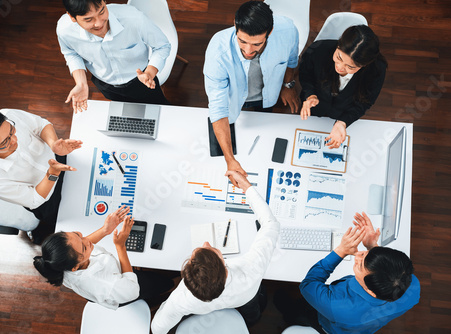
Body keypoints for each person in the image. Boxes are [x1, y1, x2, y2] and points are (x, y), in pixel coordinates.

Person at [151, 170, 280, 334]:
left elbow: (157, 329)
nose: (206, 242)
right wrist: (247, 186)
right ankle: (252, 321)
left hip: (203, 308)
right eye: (214, 251)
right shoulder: (252, 270)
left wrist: (166, 306)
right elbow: (270, 224)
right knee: (252, 313)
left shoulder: (181, 299)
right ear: (224, 266)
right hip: (246, 299)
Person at [274, 212, 420, 334]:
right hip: (363, 327)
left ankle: (288, 314)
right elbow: (388, 273)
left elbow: (308, 285)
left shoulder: (337, 305)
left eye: (361, 264)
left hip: (328, 324)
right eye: (367, 253)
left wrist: (340, 251)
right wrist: (373, 247)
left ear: (370, 290)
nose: (359, 254)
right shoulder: (411, 285)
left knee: (297, 310)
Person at [204, 1, 299, 185]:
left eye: (256, 44)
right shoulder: (218, 51)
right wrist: (230, 160)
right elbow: (218, 108)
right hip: (234, 100)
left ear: (269, 33)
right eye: (242, 41)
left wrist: (288, 85)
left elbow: (291, 59)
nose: (248, 50)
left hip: (268, 97)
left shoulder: (288, 31)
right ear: (235, 26)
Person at [0, 107, 82, 244]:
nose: (14, 140)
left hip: (57, 157)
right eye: (5, 142)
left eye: (12, 131)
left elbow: (40, 125)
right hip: (46, 195)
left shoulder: (7, 115)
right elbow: (34, 199)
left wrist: (53, 144)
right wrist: (52, 173)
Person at [33, 206, 174, 309]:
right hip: (126, 288)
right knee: (164, 283)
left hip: (112, 279)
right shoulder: (107, 285)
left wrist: (105, 230)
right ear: (74, 267)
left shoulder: (60, 263)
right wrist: (121, 246)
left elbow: (78, 246)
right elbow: (132, 290)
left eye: (77, 235)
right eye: (84, 247)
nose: (87, 240)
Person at [57, 0, 171, 113]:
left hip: (141, 80)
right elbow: (71, 53)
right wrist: (81, 83)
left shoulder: (133, 18)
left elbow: (162, 46)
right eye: (89, 19)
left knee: (161, 110)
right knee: (128, 113)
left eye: (102, 11)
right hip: (105, 84)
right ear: (72, 17)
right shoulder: (65, 30)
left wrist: (150, 73)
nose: (99, 23)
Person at [298, 25, 387, 149]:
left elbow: (365, 102)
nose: (340, 67)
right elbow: (305, 75)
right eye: (339, 57)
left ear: (365, 65)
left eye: (350, 67)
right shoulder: (317, 50)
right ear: (338, 45)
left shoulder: (377, 70)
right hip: (312, 110)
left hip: (343, 112)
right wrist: (310, 95)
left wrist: (343, 122)